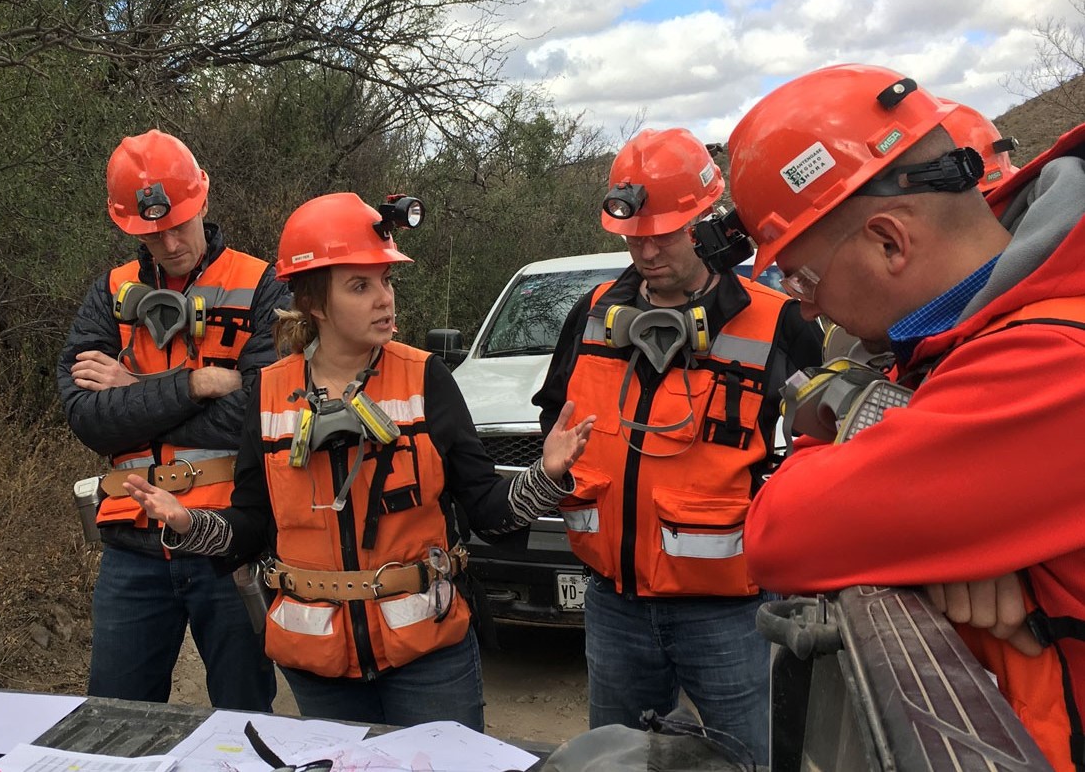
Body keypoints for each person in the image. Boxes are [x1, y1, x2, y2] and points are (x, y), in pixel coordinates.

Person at [727, 62, 1085, 770]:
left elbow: (781, 529)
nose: (803, 303)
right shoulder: (959, 340)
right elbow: (835, 450)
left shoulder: (1054, 362)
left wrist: (896, 516)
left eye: (802, 275)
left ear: (889, 241)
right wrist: (944, 546)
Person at [123, 192, 594, 730]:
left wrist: (546, 475)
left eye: (386, 281)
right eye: (360, 286)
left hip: (429, 658)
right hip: (318, 664)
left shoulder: (426, 379)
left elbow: (488, 510)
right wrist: (189, 525)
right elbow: (252, 526)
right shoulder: (268, 394)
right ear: (315, 304)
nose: (384, 300)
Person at [532, 128, 822, 763]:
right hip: (614, 605)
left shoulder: (778, 322)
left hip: (730, 615)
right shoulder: (591, 314)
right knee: (614, 761)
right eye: (635, 236)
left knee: (750, 758)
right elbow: (555, 429)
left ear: (707, 224)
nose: (647, 250)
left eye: (664, 234)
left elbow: (821, 454)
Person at [57, 129, 281, 711]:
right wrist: (198, 384)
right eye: (151, 233)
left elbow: (262, 414)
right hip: (132, 544)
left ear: (203, 199)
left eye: (178, 223)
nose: (169, 241)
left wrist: (135, 393)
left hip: (230, 539)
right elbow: (87, 418)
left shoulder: (262, 285)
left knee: (243, 723)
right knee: (115, 723)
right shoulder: (110, 293)